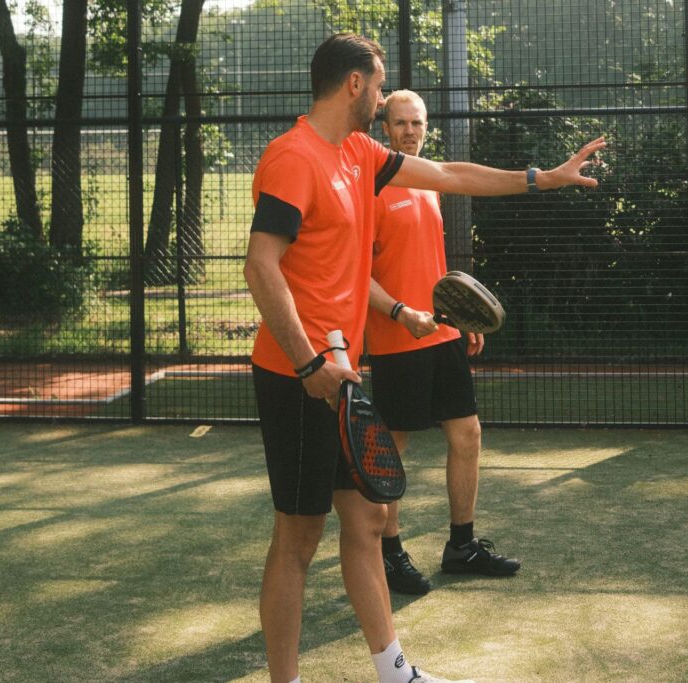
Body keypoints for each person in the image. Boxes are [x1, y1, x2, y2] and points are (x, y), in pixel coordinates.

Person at [243, 33, 605, 683]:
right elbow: (260, 264)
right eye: (380, 87)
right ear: (355, 84)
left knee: (365, 523)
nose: (383, 98)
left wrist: (542, 178)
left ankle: (396, 672)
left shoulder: (357, 152)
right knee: (297, 542)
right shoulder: (293, 157)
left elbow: (447, 174)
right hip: (296, 378)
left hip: (343, 374)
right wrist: (306, 364)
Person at [364, 89, 518, 596]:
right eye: (401, 122)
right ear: (384, 126)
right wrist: (400, 312)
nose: (411, 131)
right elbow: (357, 275)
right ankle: (389, 555)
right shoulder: (369, 185)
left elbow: (429, 260)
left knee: (467, 434)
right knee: (394, 447)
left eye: (418, 123)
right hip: (395, 336)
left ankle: (462, 547)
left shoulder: (428, 181)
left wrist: (460, 315)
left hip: (441, 331)